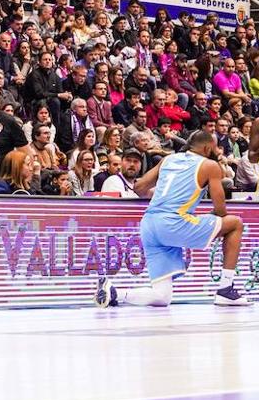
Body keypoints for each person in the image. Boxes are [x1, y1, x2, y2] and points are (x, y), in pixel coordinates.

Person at [96, 130, 250, 308]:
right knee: (235, 224)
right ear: (208, 147)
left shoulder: (168, 159)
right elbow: (221, 210)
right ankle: (226, 289)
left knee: (162, 296)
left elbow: (138, 187)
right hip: (173, 222)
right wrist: (212, 220)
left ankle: (113, 292)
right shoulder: (209, 165)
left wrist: (165, 195)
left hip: (150, 224)